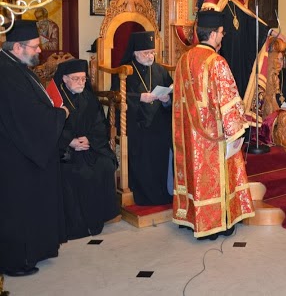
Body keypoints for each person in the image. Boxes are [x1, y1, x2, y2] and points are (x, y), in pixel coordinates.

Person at [173, 10, 255, 239]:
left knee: (194, 175)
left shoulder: (184, 60)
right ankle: (216, 223)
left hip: (189, 134)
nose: (222, 36)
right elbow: (228, 100)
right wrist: (237, 131)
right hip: (213, 135)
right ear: (212, 34)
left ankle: (192, 219)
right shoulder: (216, 62)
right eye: (221, 32)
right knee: (216, 177)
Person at [0, 20, 67, 276]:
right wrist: (59, 115)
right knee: (17, 208)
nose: (40, 51)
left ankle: (34, 250)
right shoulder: (7, 73)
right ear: (17, 47)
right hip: (16, 155)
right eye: (35, 46)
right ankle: (16, 261)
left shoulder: (15, 66)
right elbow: (27, 116)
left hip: (22, 150)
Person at [52, 59, 119, 240]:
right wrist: (70, 141)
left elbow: (100, 124)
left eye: (83, 78)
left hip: (90, 146)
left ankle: (97, 218)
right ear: (64, 79)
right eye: (76, 79)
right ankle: (77, 224)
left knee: (104, 164)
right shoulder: (56, 100)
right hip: (65, 150)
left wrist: (89, 138)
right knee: (76, 172)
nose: (81, 83)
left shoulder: (89, 97)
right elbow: (49, 127)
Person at [114, 31, 173, 206]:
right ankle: (145, 195)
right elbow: (117, 96)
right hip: (136, 121)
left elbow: (172, 92)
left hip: (159, 121)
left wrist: (167, 99)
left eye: (152, 52)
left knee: (166, 138)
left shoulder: (160, 70)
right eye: (146, 53)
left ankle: (164, 192)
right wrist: (140, 97)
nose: (150, 56)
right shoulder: (125, 71)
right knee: (144, 142)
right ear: (135, 53)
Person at [200, 0, 273, 96]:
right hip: (222, 55)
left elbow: (250, 21)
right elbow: (207, 32)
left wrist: (269, 32)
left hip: (240, 55)